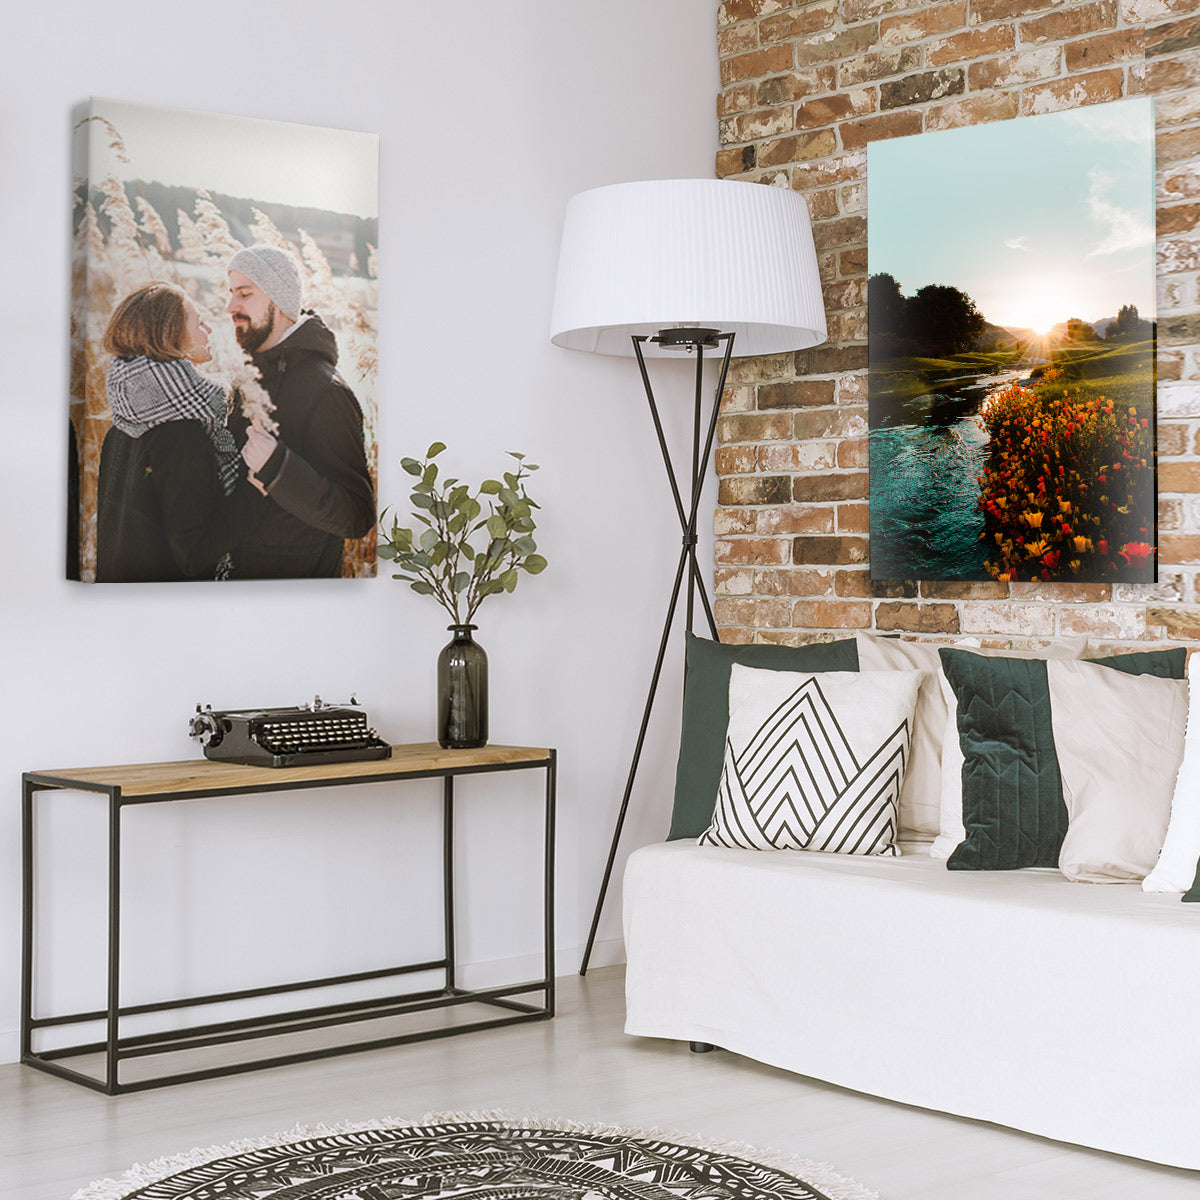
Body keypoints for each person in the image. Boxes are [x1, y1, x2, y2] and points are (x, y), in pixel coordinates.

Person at [225, 245, 375, 578]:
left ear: (277, 300)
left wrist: (278, 469)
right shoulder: (247, 377)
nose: (230, 306)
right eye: (231, 293)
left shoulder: (326, 392)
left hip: (298, 599)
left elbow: (357, 516)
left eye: (244, 294)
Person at [96, 282, 240, 582]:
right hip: (167, 614)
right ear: (171, 337)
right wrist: (254, 492)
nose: (209, 331)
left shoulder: (121, 426)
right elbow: (193, 556)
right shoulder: (182, 437)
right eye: (199, 322)